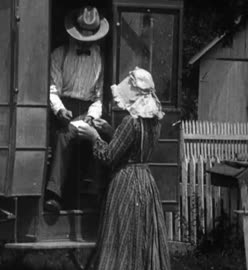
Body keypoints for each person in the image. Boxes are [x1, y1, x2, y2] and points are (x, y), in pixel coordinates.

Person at [77, 67, 170, 270]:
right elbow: (135, 146)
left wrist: (94, 136)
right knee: (141, 236)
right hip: (145, 181)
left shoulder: (131, 121)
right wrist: (111, 131)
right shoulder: (154, 122)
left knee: (123, 236)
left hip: (126, 184)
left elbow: (109, 156)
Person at [45, 6, 109, 212]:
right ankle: (54, 195)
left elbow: (99, 97)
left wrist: (92, 117)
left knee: (100, 137)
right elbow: (52, 89)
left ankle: (94, 195)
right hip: (64, 111)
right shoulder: (59, 54)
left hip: (87, 111)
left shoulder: (99, 58)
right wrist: (60, 111)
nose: (86, 42)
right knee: (65, 135)